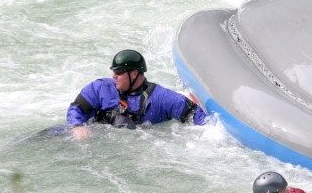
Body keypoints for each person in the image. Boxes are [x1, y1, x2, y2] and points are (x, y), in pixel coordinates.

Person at [67, 50, 208, 139]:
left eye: (119, 72)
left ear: (134, 73)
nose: (114, 76)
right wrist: (77, 126)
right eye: (114, 71)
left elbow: (203, 122)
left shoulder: (161, 98)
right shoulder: (101, 88)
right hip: (95, 138)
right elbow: (76, 109)